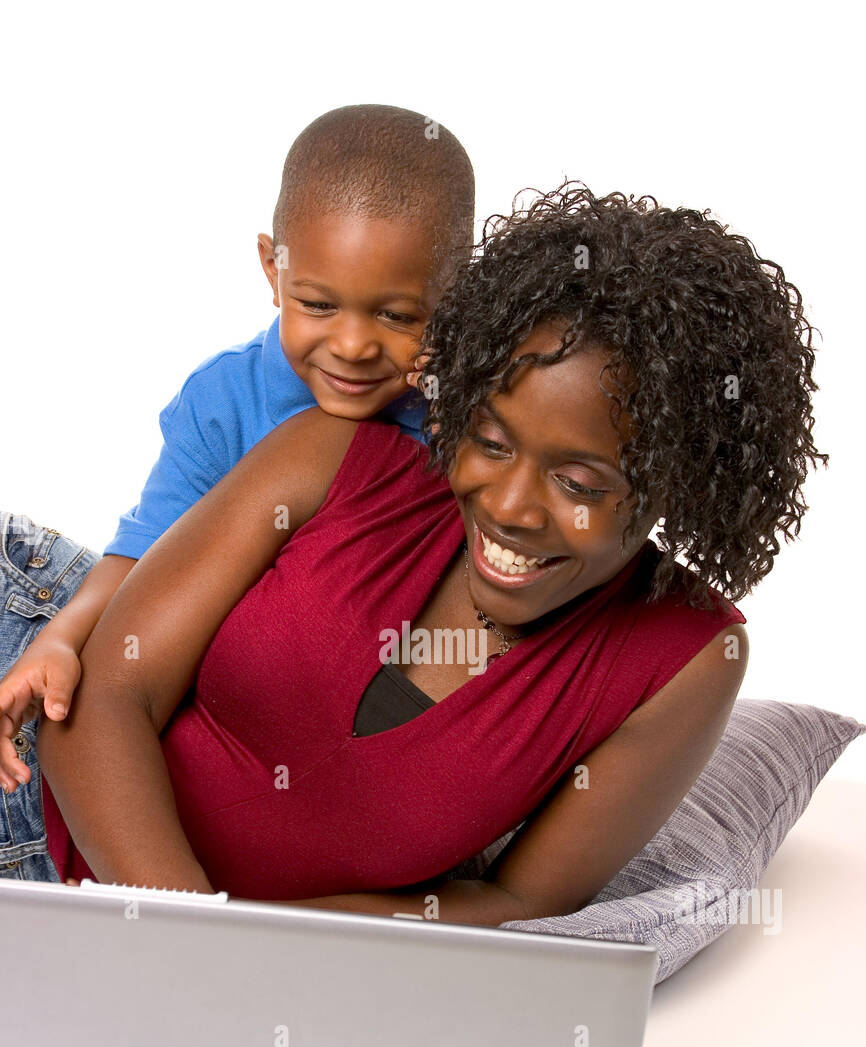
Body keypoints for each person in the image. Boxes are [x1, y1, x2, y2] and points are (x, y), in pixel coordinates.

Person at [0, 186, 826, 926]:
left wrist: (247, 954)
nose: (508, 506)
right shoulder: (336, 455)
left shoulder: (683, 659)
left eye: (579, 480)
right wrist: (193, 933)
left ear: (676, 485)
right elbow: (99, 695)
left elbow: (514, 902)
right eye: (491, 441)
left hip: (121, 939)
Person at [0, 103, 475, 787]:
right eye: (317, 304)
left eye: (396, 315)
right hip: (164, 668)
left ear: (457, 299)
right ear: (272, 269)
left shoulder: (460, 423)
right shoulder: (226, 400)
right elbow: (140, 549)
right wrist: (64, 638)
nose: (352, 344)